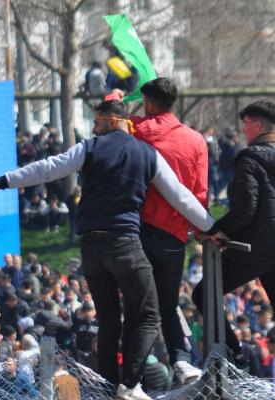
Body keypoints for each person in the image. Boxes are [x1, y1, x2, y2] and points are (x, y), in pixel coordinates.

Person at [0, 99, 215, 400]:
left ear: (111, 120)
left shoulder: (90, 148)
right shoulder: (146, 154)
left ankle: (108, 387)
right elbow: (180, 196)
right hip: (124, 242)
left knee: (109, 320)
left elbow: (49, 169)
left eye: (96, 122)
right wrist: (212, 227)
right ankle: (130, 386)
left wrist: (2, 181)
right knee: (150, 313)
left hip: (90, 246)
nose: (94, 129)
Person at [109, 77, 208, 383]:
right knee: (167, 303)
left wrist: (117, 94)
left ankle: (131, 378)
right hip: (174, 236)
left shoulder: (139, 129)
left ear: (149, 103)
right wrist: (197, 230)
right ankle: (181, 359)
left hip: (136, 231)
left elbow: (110, 117)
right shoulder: (196, 140)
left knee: (136, 304)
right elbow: (200, 194)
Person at [192, 100, 275, 368]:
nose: (244, 131)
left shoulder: (250, 158)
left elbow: (245, 210)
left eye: (246, 124)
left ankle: (235, 358)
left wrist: (217, 230)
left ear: (258, 125)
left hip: (257, 248)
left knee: (204, 294)